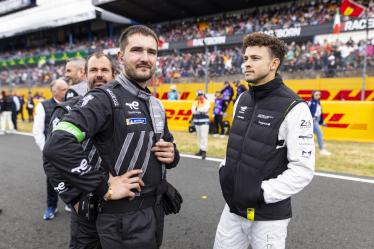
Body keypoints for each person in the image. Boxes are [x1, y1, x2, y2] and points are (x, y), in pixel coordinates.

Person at [44, 25, 180, 249]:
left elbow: (167, 148)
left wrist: (172, 154)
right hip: (119, 218)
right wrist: (99, 188)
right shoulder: (104, 98)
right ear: (121, 57)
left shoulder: (155, 104)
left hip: (153, 214)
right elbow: (56, 146)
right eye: (137, 50)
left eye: (152, 52)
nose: (145, 58)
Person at [214, 33, 315, 249]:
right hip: (232, 208)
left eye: (255, 58)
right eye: (246, 58)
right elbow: (237, 145)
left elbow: (303, 170)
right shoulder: (242, 99)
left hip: (268, 217)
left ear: (274, 64)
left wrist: (261, 193)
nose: (247, 64)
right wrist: (225, 171)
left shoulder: (295, 108)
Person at [44, 52, 115, 249]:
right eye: (94, 70)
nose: (99, 75)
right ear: (85, 75)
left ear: (114, 75)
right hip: (87, 208)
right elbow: (51, 162)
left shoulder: (124, 110)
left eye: (105, 70)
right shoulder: (67, 110)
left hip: (121, 208)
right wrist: (73, 198)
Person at [32, 78, 69, 220]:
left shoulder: (73, 103)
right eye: (64, 89)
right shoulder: (43, 106)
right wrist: (46, 151)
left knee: (73, 178)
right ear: (54, 91)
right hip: (52, 153)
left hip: (71, 152)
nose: (67, 91)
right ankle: (51, 206)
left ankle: (69, 202)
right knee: (52, 180)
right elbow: (37, 131)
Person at [308, 91, 331, 156]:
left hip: (316, 120)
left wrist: (321, 121)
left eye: (319, 95)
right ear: (313, 95)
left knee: (315, 134)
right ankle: (321, 149)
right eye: (316, 95)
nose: (318, 96)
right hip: (313, 120)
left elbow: (320, 113)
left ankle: (320, 145)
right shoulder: (311, 102)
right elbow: (307, 111)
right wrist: (311, 118)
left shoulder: (318, 102)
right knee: (319, 133)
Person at [192, 90, 210, 159]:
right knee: (199, 136)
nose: (200, 96)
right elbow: (193, 111)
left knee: (204, 136)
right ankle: (200, 149)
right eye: (199, 95)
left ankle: (204, 150)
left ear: (203, 95)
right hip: (197, 121)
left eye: (201, 94)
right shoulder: (195, 102)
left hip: (204, 122)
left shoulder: (206, 101)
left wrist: (197, 109)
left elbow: (205, 110)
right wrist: (199, 110)